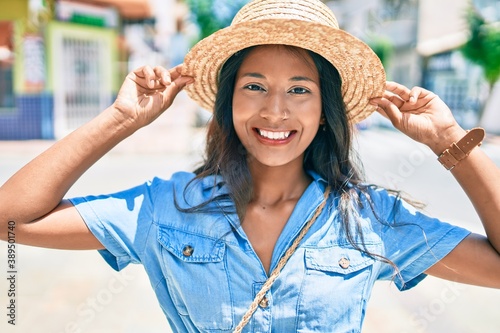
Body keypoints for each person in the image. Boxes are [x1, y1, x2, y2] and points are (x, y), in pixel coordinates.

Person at [1, 0, 500, 331]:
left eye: (300, 90)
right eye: (254, 85)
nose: (275, 110)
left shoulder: (370, 218)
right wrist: (120, 119)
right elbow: (11, 221)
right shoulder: (165, 208)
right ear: (229, 102)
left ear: (325, 110)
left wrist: (452, 142)